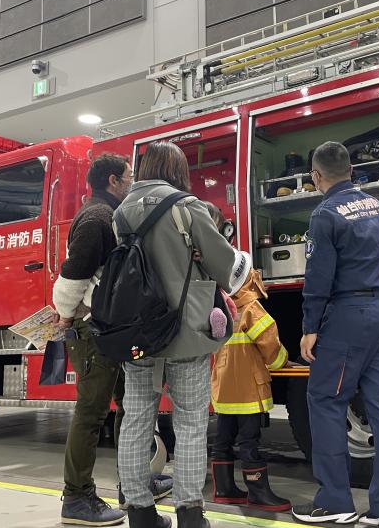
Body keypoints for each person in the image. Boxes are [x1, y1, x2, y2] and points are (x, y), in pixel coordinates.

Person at [115, 142, 252, 528]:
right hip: (186, 331)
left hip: (137, 332)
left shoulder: (120, 212)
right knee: (190, 421)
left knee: (136, 419)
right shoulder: (186, 207)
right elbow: (226, 267)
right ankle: (190, 513)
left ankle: (140, 512)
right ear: (176, 169)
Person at [52, 154, 173, 527]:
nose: (131, 182)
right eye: (127, 177)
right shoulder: (96, 218)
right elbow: (74, 273)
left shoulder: (106, 215)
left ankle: (132, 484)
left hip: (110, 329)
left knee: (128, 406)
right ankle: (76, 496)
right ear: (112, 180)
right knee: (91, 412)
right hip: (92, 331)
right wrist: (66, 314)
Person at [292, 142, 379, 528]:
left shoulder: (324, 214)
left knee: (325, 400)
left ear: (315, 176)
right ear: (352, 170)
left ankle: (335, 501)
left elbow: (318, 278)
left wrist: (309, 328)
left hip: (350, 315)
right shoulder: (377, 206)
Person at [202, 202, 291, 512]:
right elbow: (269, 343)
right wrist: (282, 363)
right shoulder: (251, 308)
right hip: (249, 391)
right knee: (250, 440)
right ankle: (258, 492)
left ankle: (224, 489)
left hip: (223, 389)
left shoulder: (220, 304)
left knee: (224, 438)